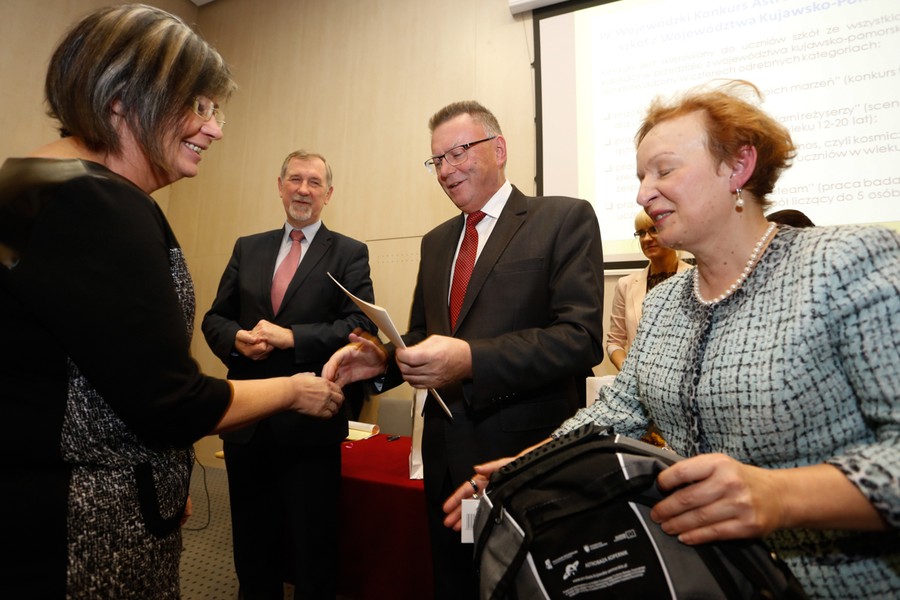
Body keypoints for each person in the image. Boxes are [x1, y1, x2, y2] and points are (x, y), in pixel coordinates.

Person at [444, 80, 900, 598]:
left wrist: (779, 495)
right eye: (641, 177)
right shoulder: (663, 302)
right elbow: (613, 412)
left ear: (738, 167)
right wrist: (528, 468)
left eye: (664, 170)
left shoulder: (844, 263)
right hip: (706, 580)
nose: (642, 193)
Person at [0, 6, 344, 599]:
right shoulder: (98, 204)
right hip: (87, 533)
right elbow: (171, 402)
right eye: (199, 106)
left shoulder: (28, 180)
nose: (215, 129)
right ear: (122, 99)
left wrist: (162, 471)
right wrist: (296, 389)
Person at [323, 100, 604, 599]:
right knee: (457, 579)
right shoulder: (435, 242)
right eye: (437, 160)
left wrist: (473, 359)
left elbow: (580, 340)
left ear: (498, 148)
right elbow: (418, 336)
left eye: (459, 153)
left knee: (520, 583)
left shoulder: (563, 218)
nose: (447, 171)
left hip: (521, 455)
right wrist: (383, 362)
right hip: (445, 456)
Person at [201, 150, 376, 599]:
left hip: (309, 427)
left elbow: (360, 329)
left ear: (328, 194)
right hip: (248, 424)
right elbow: (215, 319)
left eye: (314, 182)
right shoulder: (248, 246)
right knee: (252, 551)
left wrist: (291, 338)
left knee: (312, 553)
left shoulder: (350, 253)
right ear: (279, 186)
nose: (303, 189)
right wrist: (236, 338)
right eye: (295, 179)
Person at [607, 209, 692, 371]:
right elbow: (614, 342)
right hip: (639, 386)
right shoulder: (625, 285)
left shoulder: (696, 279)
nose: (646, 238)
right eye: (640, 233)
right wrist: (628, 371)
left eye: (653, 230)